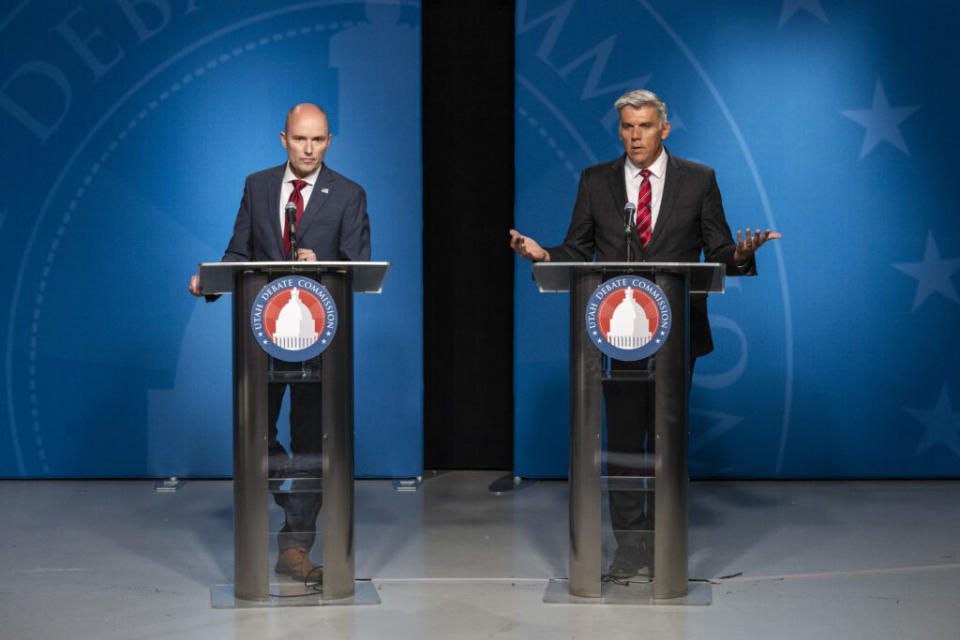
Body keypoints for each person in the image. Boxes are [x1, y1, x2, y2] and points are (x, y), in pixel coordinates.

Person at [509, 89, 780, 579]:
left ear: (665, 129)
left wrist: (740, 255)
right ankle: (631, 548)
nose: (635, 136)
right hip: (618, 334)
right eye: (627, 127)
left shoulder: (699, 180)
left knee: (667, 440)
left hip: (677, 332)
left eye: (645, 126)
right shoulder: (597, 181)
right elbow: (578, 249)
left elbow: (719, 250)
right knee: (625, 445)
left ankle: (665, 541)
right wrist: (545, 255)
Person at [189, 103, 371, 582]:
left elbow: (359, 265)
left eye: (318, 140)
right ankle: (292, 497)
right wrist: (209, 281)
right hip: (261, 339)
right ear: (283, 139)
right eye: (300, 139)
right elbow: (238, 251)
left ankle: (294, 548)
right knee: (257, 436)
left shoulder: (349, 194)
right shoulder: (258, 185)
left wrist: (324, 263)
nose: (309, 149)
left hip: (320, 341)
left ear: (329, 141)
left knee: (314, 442)